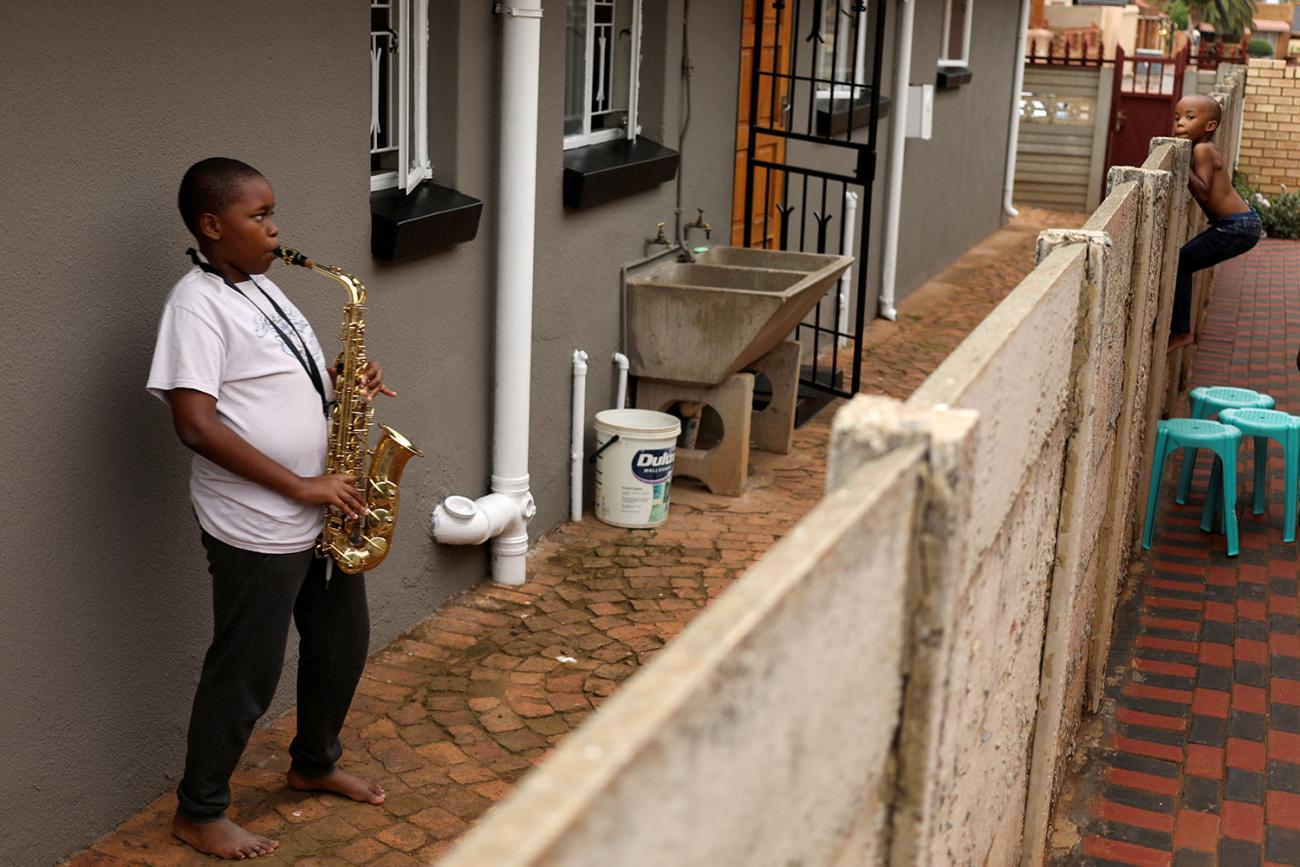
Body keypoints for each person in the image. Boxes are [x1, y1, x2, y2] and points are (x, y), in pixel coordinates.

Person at [147, 157, 395, 859]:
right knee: (247, 667)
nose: (274, 228)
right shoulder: (194, 306)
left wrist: (347, 380)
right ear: (212, 225)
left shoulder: (265, 287)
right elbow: (194, 424)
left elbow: (282, 383)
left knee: (341, 642)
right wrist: (298, 485)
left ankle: (313, 763)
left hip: (322, 508)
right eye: (258, 216)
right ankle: (199, 810)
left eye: (271, 212)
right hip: (256, 523)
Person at [1170, 94, 1262, 349]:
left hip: (1237, 226)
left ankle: (1181, 332)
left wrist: (1180, 165)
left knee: (1183, 262)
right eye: (1177, 117)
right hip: (1241, 223)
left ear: (1210, 126)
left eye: (1189, 117)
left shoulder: (1202, 149)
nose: (1180, 123)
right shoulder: (1205, 148)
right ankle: (1181, 330)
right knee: (1185, 260)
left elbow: (1203, 191)